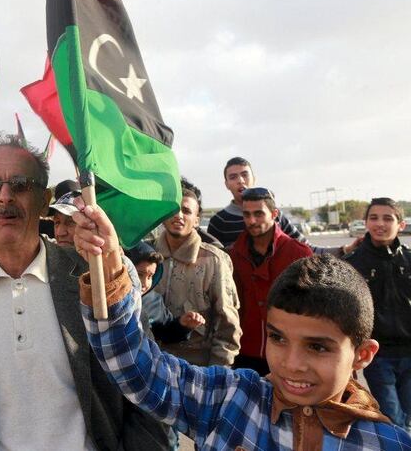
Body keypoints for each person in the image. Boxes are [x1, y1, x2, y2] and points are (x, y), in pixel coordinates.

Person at [75, 204, 411, 450]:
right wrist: (110, 271)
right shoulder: (228, 399)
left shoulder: (386, 443)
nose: (291, 363)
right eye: (277, 338)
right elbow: (139, 370)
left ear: (363, 355)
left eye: (318, 347)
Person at [0, 134, 171, 450]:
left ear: (44, 199)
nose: (5, 197)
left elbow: (146, 386)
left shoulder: (94, 275)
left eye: (21, 184)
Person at [152, 180, 241, 367]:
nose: (178, 215)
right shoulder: (147, 255)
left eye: (186, 211)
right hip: (151, 365)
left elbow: (228, 327)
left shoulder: (214, 261)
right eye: (174, 209)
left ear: (197, 220)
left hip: (196, 369)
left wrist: (217, 378)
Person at [230, 187, 313, 375]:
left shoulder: (299, 254)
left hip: (289, 351)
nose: (251, 221)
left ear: (274, 214)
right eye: (247, 214)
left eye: (258, 214)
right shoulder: (233, 255)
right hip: (245, 350)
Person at [345, 197, 411, 432]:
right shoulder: (351, 264)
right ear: (365, 223)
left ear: (400, 225)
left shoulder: (409, 259)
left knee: (407, 417)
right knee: (393, 419)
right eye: (373, 218)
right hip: (378, 355)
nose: (380, 224)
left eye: (388, 218)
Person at [208, 157, 358, 254]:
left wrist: (344, 250)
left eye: (245, 174)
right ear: (226, 184)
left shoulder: (276, 216)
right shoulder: (219, 222)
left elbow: (306, 248)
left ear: (254, 178)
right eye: (233, 177)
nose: (240, 180)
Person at [125, 241, 206, 345]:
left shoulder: (154, 301)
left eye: (150, 276)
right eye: (139, 274)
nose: (145, 283)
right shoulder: (106, 300)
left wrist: (183, 325)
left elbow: (165, 332)